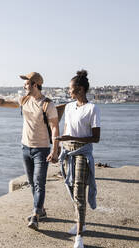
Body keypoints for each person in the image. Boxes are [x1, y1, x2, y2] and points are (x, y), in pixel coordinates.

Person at [0, 72, 61, 230]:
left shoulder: (48, 105)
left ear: (34, 85)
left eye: (26, 84)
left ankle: (35, 215)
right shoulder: (24, 100)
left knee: (39, 183)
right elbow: (3, 102)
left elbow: (54, 128)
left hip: (42, 149)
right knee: (32, 183)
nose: (24, 86)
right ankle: (41, 210)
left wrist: (55, 149)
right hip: (25, 148)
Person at [56, 70, 100, 248]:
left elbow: (95, 138)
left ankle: (79, 237)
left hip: (82, 153)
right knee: (71, 189)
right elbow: (66, 130)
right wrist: (58, 148)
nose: (69, 92)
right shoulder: (69, 107)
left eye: (71, 90)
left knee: (79, 194)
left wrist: (71, 139)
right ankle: (80, 222)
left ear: (80, 90)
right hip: (67, 153)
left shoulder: (92, 109)